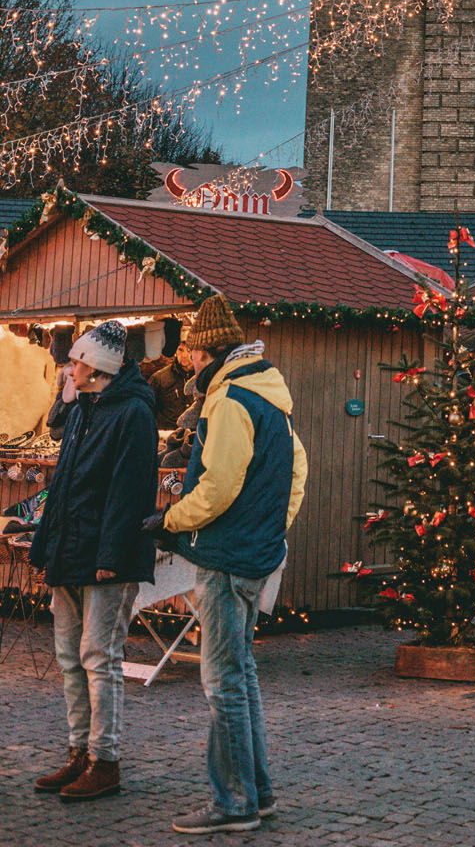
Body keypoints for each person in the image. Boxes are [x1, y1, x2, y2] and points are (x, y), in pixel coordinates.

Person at [148, 294, 307, 837]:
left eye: (191, 352)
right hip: (254, 553)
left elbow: (217, 486)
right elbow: (297, 474)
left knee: (223, 684)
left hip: (225, 556)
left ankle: (234, 801)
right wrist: (272, 532)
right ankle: (257, 793)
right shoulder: (270, 397)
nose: (187, 362)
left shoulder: (231, 399)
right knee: (241, 677)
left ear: (210, 350)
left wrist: (171, 518)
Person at [28, 319, 159, 803]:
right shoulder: (86, 408)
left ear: (97, 367)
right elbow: (63, 484)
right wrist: (46, 546)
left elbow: (129, 491)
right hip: (71, 548)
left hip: (105, 558)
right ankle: (80, 753)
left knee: (98, 659)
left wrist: (111, 555)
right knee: (71, 659)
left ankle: (104, 760)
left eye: (77, 362)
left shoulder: (133, 414)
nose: (69, 368)